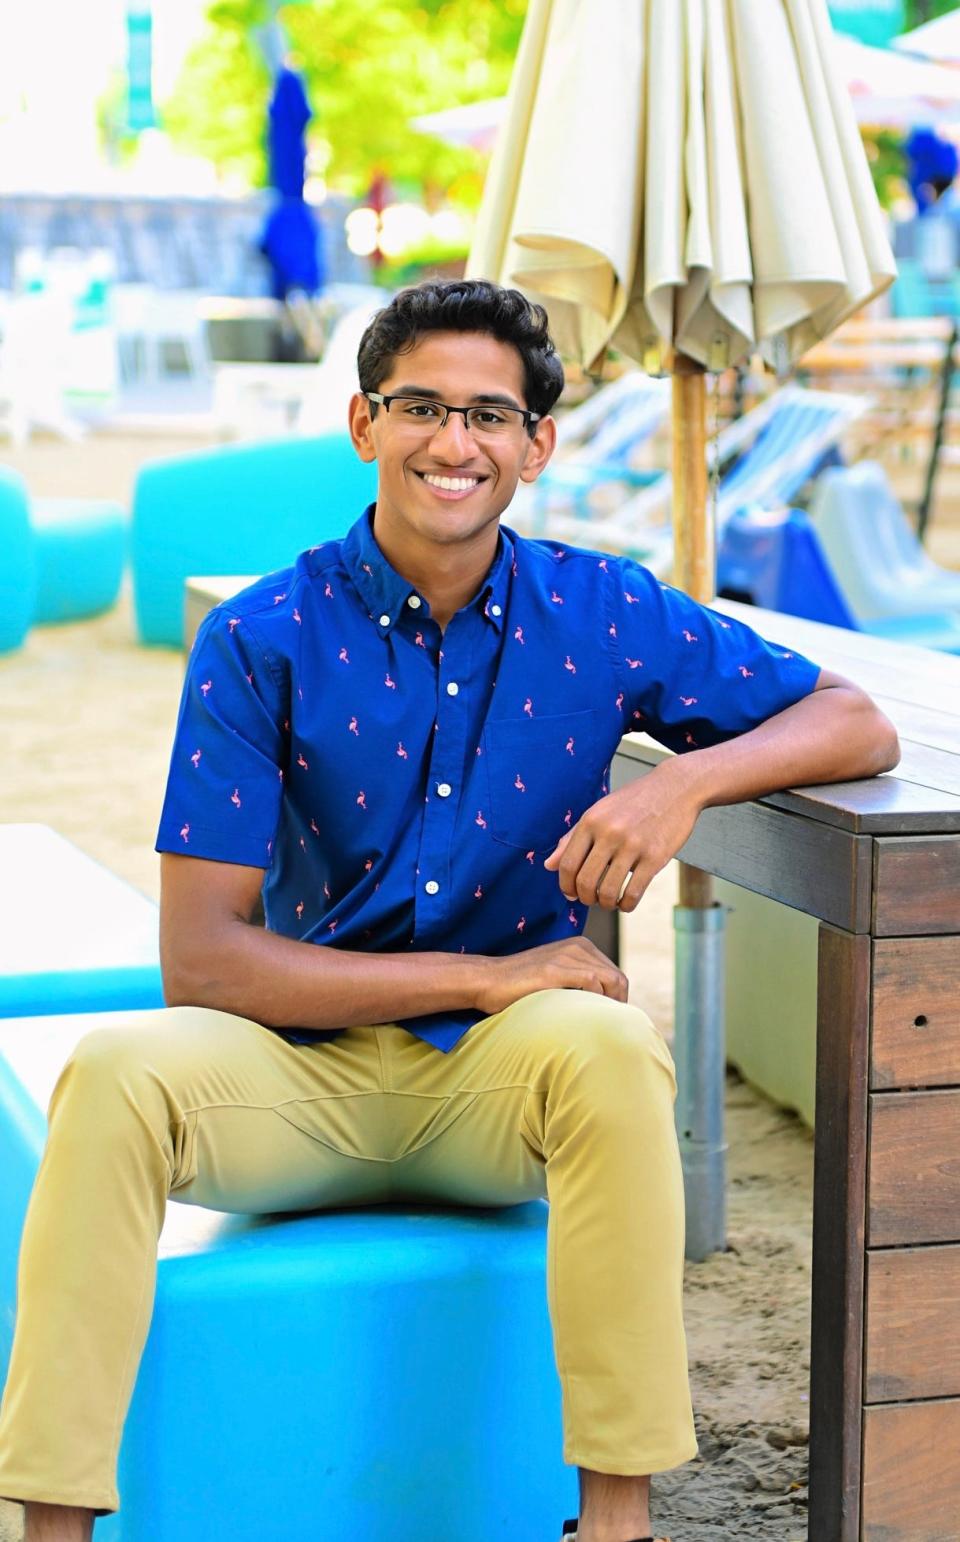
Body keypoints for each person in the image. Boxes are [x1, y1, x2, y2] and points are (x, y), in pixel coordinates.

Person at [0, 279, 900, 1542]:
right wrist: (484, 980)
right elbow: (202, 962)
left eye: (491, 413)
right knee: (112, 1075)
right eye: (421, 405)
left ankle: (619, 1523)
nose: (454, 442)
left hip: (502, 1088)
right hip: (291, 1077)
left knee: (608, 1050)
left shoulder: (603, 612)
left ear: (539, 442)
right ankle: (54, 1529)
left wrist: (678, 785)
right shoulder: (262, 634)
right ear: (364, 422)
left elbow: (855, 718)